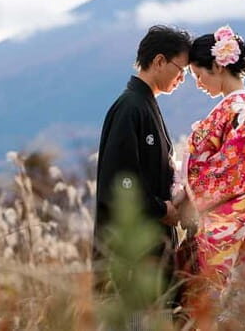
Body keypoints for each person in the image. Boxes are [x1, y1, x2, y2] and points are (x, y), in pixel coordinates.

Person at [175, 25, 245, 320]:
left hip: (232, 222)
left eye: (199, 75)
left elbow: (230, 172)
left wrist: (187, 187)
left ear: (217, 65)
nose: (198, 83)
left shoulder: (238, 110)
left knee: (227, 304)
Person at [93, 24, 192, 301]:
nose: (182, 78)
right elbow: (119, 181)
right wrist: (161, 208)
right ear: (159, 61)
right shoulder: (130, 107)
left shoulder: (145, 104)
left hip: (151, 250)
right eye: (180, 70)